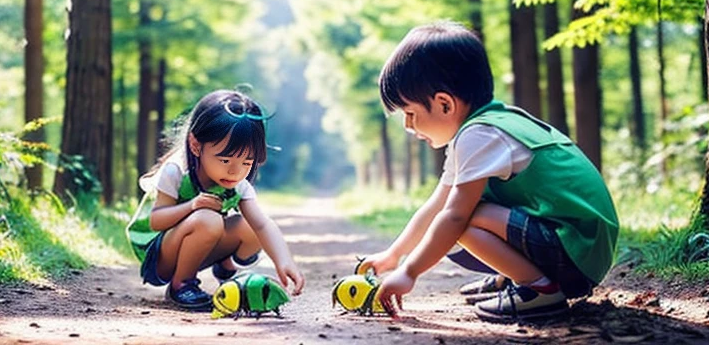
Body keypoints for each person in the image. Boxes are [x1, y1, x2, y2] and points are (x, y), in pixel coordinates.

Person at [357, 21, 618, 322]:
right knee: (448, 221)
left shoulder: (480, 135)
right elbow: (435, 206)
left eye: (410, 113)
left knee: (461, 219)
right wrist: (393, 255)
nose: (408, 126)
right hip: (580, 246)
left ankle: (540, 289)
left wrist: (409, 272)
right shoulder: (483, 127)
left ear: (444, 104)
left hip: (577, 250)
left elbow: (453, 216)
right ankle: (512, 276)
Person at [126, 89, 305, 311]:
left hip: (197, 241)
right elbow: (157, 221)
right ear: (195, 145)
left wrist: (284, 260)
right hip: (159, 255)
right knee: (207, 219)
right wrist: (192, 205)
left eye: (247, 162)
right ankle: (181, 284)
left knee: (249, 225)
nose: (234, 171)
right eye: (225, 159)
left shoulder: (238, 183)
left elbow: (263, 224)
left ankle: (225, 265)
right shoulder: (176, 171)